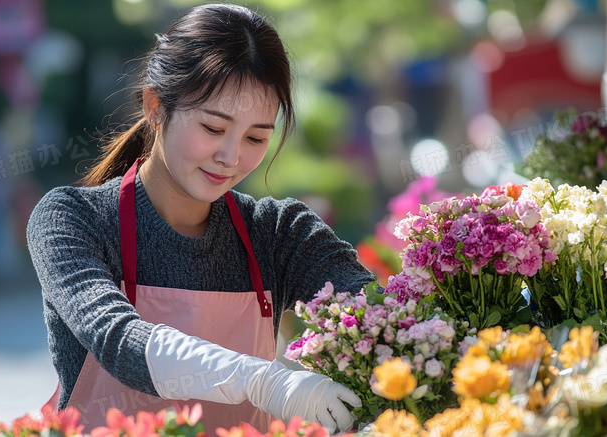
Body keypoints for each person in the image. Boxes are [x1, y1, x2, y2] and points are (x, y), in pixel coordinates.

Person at [26, 4, 375, 434]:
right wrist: (264, 381)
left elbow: (377, 314)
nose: (231, 157)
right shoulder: (73, 219)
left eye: (255, 137)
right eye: (213, 128)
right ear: (155, 106)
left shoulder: (281, 233)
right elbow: (117, 339)